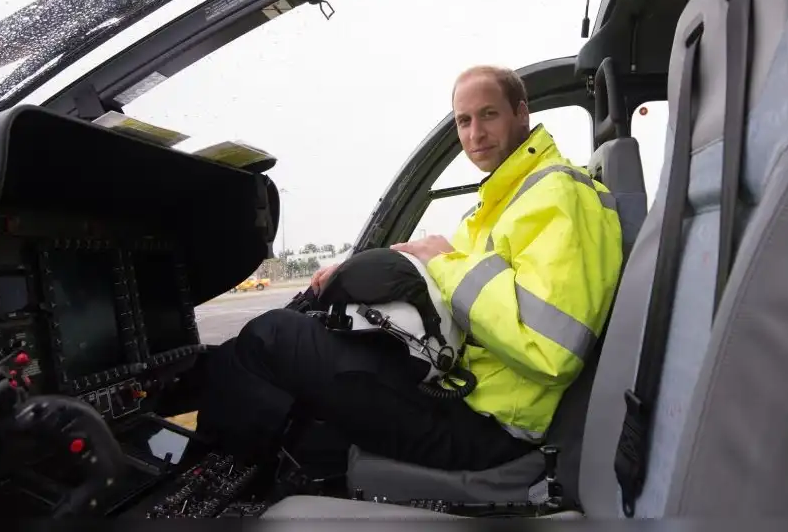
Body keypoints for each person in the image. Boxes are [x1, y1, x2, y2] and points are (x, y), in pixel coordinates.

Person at [194, 65, 623, 475]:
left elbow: (551, 350)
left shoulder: (558, 194)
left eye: (489, 115)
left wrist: (442, 261)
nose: (475, 133)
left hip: (486, 421)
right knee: (300, 327)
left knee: (272, 336)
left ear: (521, 113)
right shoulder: (509, 199)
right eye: (464, 121)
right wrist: (388, 263)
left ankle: (193, 483)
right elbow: (478, 279)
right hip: (464, 385)